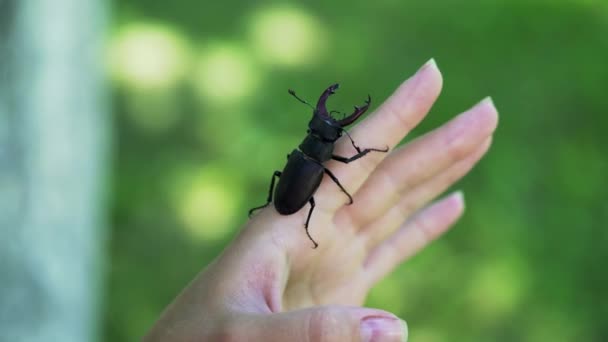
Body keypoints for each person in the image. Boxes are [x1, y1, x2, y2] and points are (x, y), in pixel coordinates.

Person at [144, 59, 499, 342]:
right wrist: (364, 160)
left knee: (294, 187)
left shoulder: (303, 154)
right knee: (312, 201)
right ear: (318, 139)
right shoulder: (322, 158)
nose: (325, 125)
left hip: (289, 190)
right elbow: (344, 162)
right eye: (322, 127)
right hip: (293, 198)